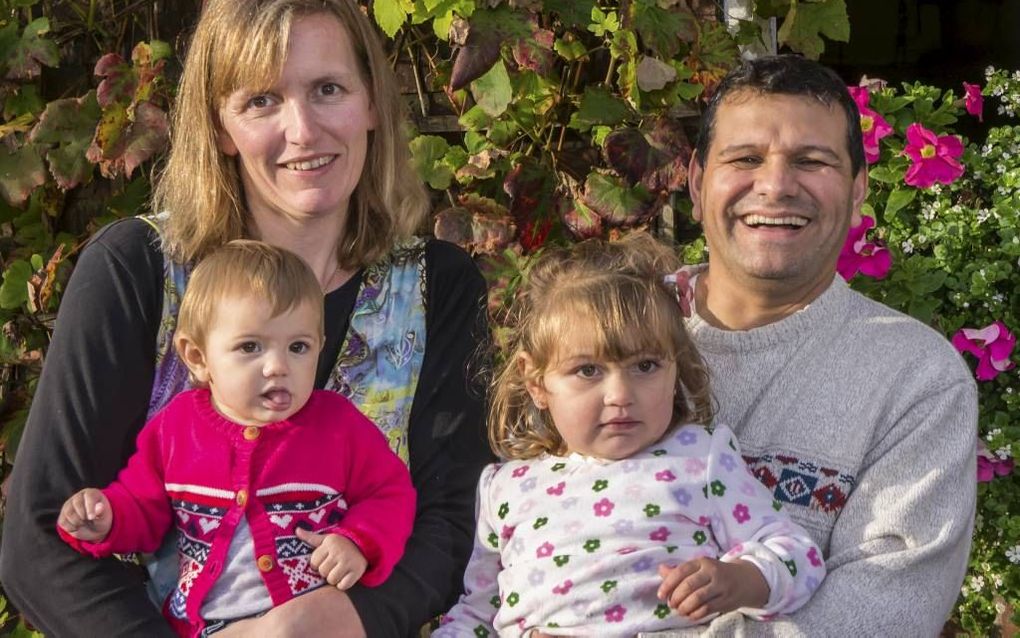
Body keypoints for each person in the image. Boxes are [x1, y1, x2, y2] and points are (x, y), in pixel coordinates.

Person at [0, 1, 491, 636]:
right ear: (221, 127)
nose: (304, 130)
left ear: (372, 103)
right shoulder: (138, 272)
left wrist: (345, 617)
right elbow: (41, 543)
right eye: (261, 101)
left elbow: (453, 521)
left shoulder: (436, 286)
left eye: (328, 89)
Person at [662, 54, 978, 636]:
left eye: (811, 161)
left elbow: (881, 616)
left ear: (858, 190)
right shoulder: (607, 334)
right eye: (745, 158)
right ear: (696, 180)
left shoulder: (914, 378)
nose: (776, 186)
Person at [435, 235, 826, 637]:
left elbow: (797, 554)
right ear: (535, 382)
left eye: (645, 366)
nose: (621, 395)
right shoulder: (506, 488)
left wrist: (739, 580)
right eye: (588, 371)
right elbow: (479, 613)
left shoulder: (699, 459)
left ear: (676, 367)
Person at [56, 241, 417, 637]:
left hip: (311, 621)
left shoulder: (338, 426)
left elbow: (391, 492)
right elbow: (143, 507)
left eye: (299, 347)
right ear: (197, 357)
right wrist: (107, 518)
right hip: (205, 625)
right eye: (250, 347)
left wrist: (358, 542)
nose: (278, 366)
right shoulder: (176, 429)